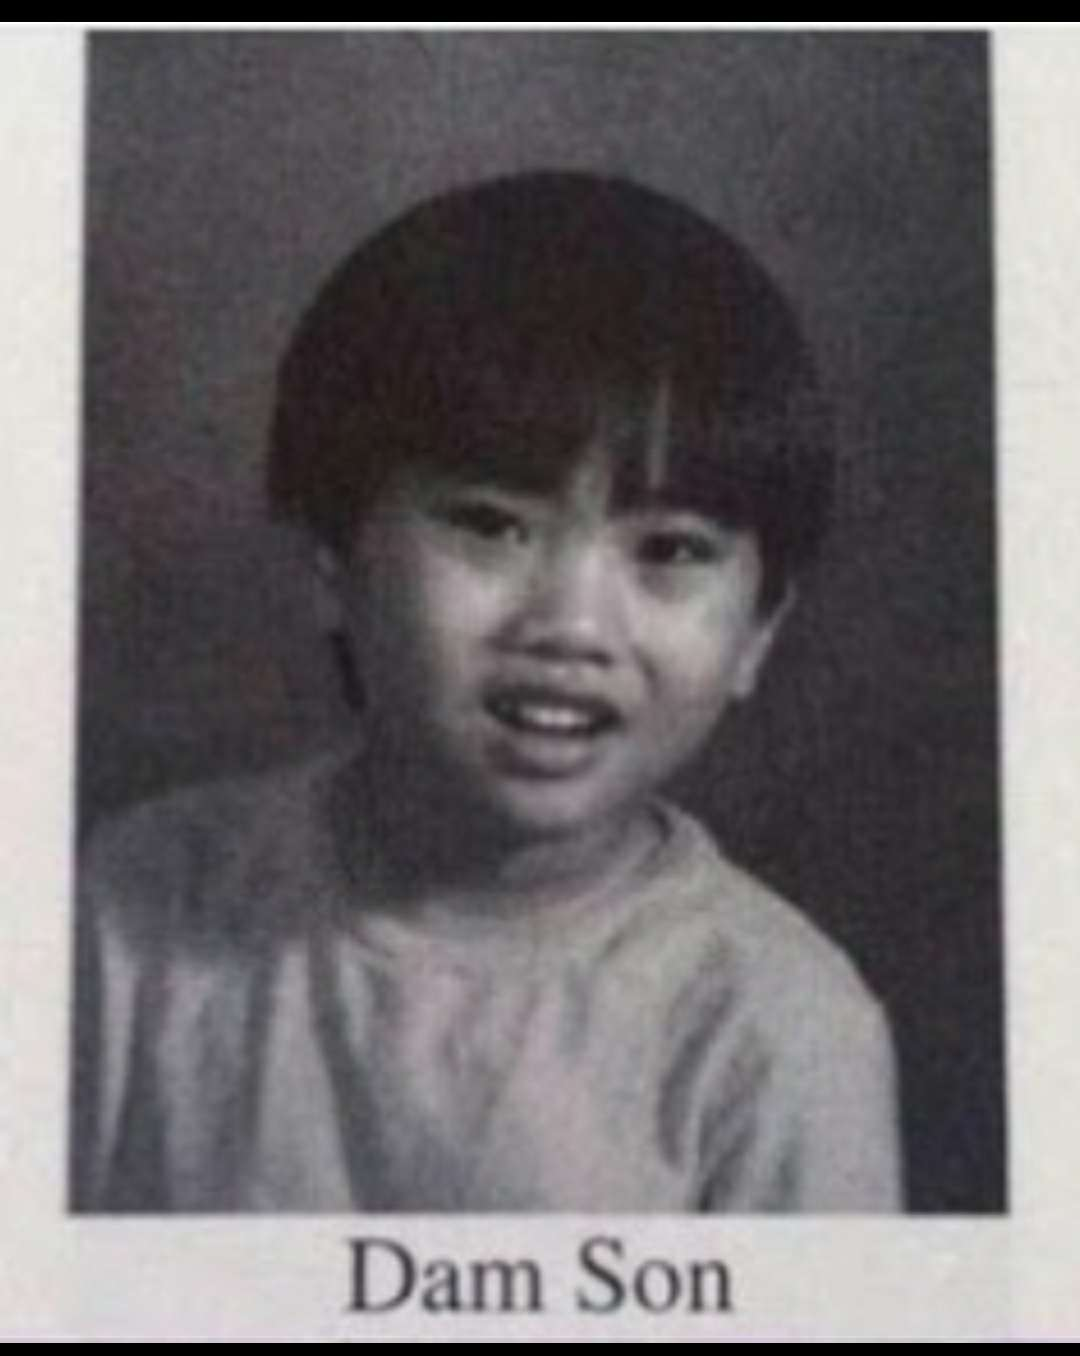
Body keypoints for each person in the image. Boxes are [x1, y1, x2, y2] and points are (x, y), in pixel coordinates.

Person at [71, 171, 903, 1212]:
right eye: (492, 525)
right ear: (332, 561)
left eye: (670, 550)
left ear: (758, 636)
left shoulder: (778, 1029)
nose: (571, 625)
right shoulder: (129, 913)